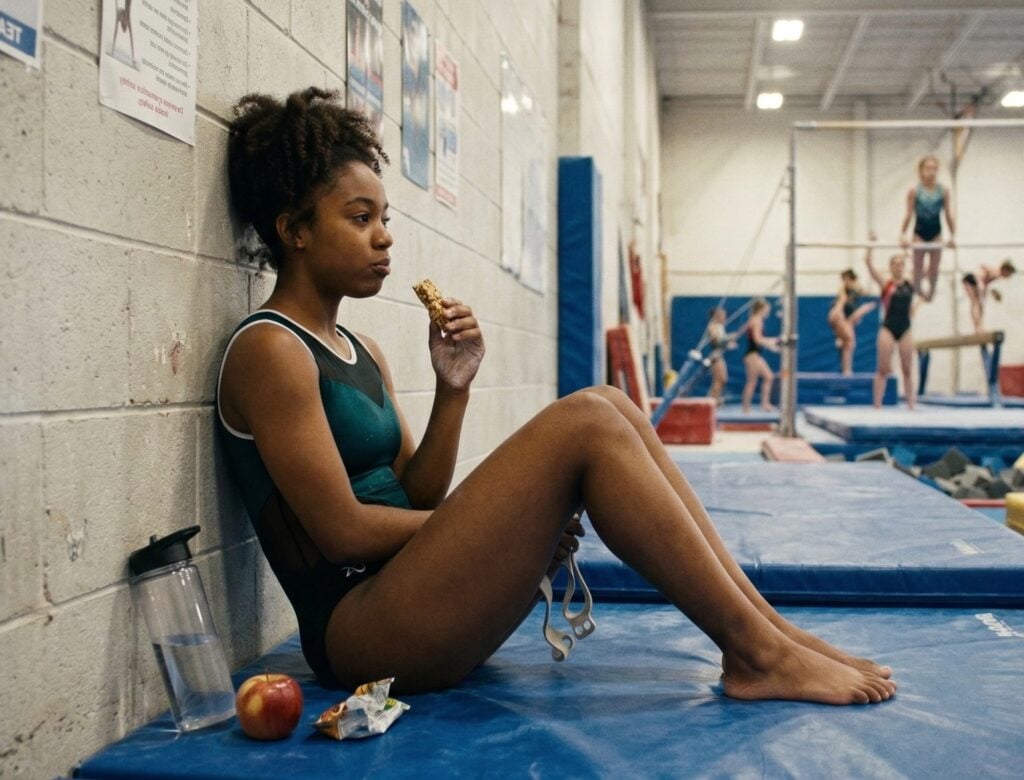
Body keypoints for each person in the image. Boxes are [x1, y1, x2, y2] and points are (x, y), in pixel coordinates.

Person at [218, 87, 896, 705]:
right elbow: (342, 534)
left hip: (414, 598)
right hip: (360, 636)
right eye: (360, 217)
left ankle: (770, 632)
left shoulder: (362, 351)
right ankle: (757, 653)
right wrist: (509, 526)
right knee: (586, 424)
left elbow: (416, 496)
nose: (385, 236)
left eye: (384, 217)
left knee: (610, 403)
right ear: (293, 230)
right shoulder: (270, 349)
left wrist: (454, 392)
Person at [865, 244, 917, 410]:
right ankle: (877, 405)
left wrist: (909, 252)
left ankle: (911, 405)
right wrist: (870, 244)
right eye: (895, 264)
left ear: (904, 266)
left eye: (901, 264)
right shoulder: (885, 284)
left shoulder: (910, 284)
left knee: (907, 369)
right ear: (890, 267)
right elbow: (868, 264)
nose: (898, 266)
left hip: (905, 328)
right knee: (883, 369)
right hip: (888, 327)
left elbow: (922, 269)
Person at [899, 154, 956, 303]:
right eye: (928, 168)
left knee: (934, 268)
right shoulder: (914, 191)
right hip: (919, 233)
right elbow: (908, 214)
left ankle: (931, 291)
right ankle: (918, 288)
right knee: (918, 266)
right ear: (920, 170)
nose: (931, 171)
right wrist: (902, 235)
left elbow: (949, 214)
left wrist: (953, 236)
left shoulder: (943, 191)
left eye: (934, 168)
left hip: (936, 232)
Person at [827, 268, 876, 376]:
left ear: (852, 280)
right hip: (837, 315)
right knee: (850, 340)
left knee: (848, 343)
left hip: (844, 318)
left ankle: (845, 368)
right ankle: (847, 370)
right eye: (844, 280)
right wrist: (839, 317)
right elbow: (841, 302)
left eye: (848, 280)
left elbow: (866, 292)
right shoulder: (842, 290)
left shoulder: (856, 289)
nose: (845, 282)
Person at [740, 298, 779, 414]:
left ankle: (765, 404)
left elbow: (756, 340)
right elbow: (757, 340)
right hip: (752, 355)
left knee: (769, 377)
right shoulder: (757, 321)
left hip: (754, 354)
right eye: (767, 310)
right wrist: (772, 340)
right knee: (752, 382)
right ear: (761, 309)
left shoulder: (754, 320)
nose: (768, 312)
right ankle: (746, 408)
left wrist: (772, 346)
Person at [962, 259, 1016, 333]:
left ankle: (979, 327)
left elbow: (986, 281)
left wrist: (985, 290)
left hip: (976, 282)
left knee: (980, 305)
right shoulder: (996, 272)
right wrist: (981, 285)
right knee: (975, 303)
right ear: (1005, 270)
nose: (1009, 277)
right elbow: (983, 267)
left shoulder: (997, 274)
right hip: (972, 279)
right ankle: (977, 328)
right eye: (1009, 274)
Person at [704, 307, 734, 405]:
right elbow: (716, 341)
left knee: (723, 379)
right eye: (722, 315)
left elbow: (721, 338)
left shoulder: (720, 326)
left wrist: (729, 339)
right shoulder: (712, 326)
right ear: (716, 316)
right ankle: (710, 402)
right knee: (718, 380)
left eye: (725, 315)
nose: (725, 317)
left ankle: (714, 400)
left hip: (719, 355)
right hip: (715, 356)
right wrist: (727, 343)